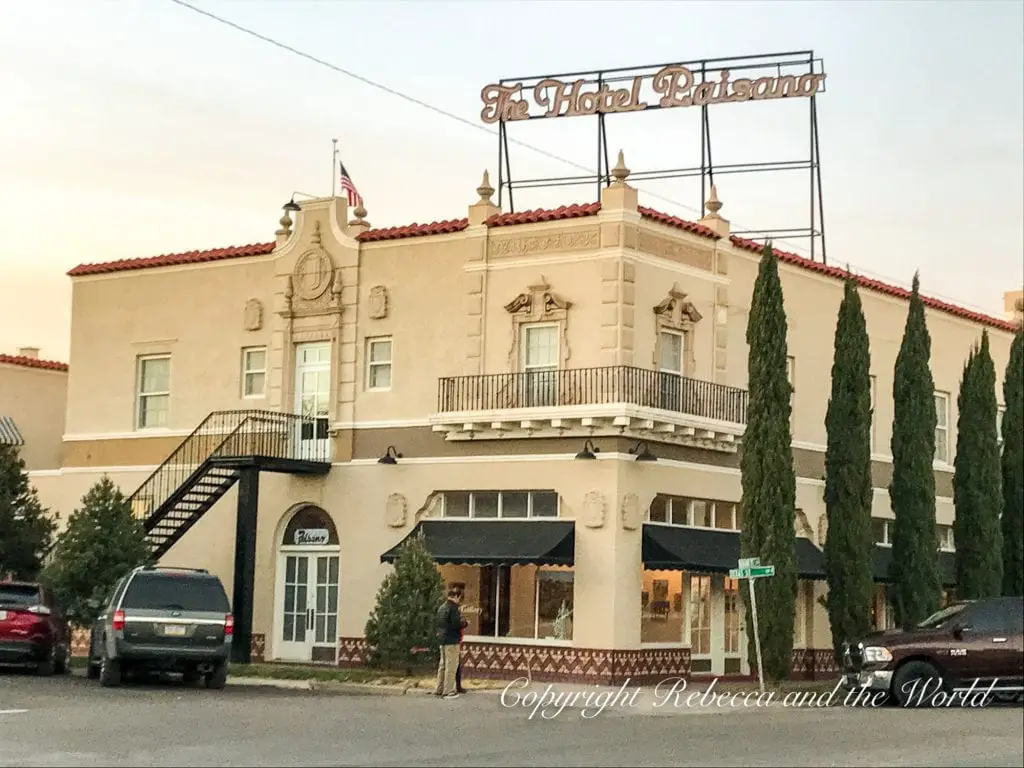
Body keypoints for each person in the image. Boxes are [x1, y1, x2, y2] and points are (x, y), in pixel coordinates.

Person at [434, 586, 463, 699]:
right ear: (456, 596)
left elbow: (439, 623)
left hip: (442, 639)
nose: (459, 600)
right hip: (452, 640)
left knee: (443, 665)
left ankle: (439, 688)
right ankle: (449, 690)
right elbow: (456, 624)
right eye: (459, 598)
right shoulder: (453, 608)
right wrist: (464, 623)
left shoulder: (442, 607)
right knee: (451, 665)